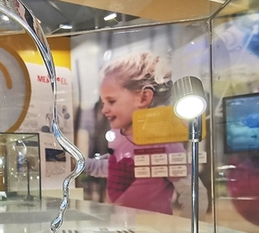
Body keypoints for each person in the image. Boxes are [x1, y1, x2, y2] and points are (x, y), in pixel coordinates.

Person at [85, 52, 206, 217]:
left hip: (154, 228)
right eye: (103, 102)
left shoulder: (163, 143)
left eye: (111, 101)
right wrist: (79, 164)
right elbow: (115, 170)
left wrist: (185, 227)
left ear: (143, 98)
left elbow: (193, 192)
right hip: (117, 226)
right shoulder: (117, 136)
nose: (104, 109)